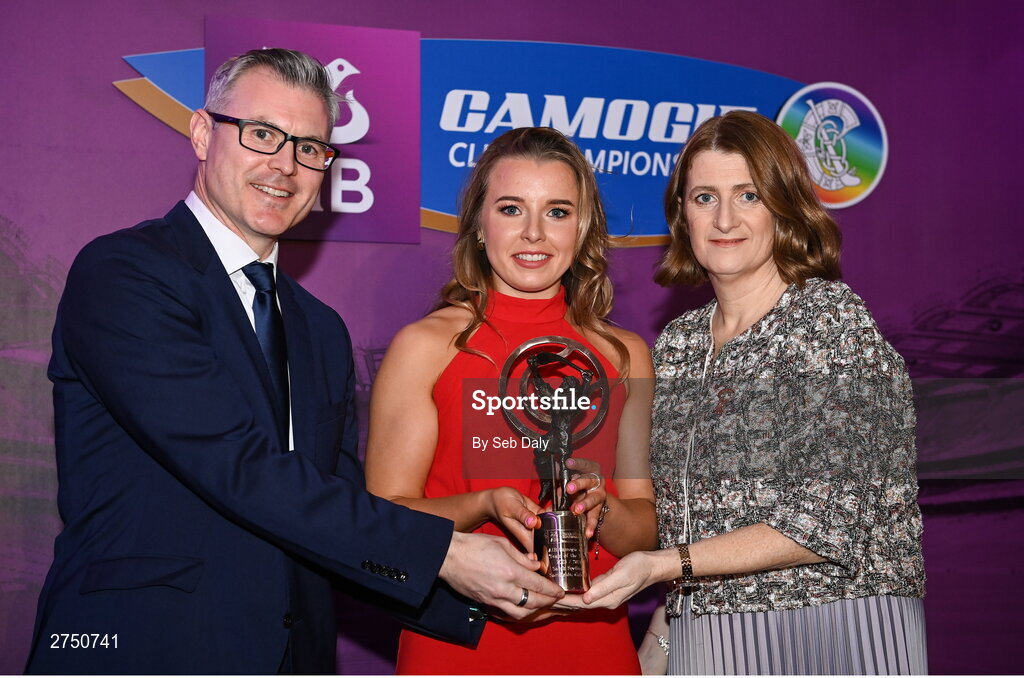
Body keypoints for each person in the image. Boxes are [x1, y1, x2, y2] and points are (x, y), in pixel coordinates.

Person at [25, 48, 564, 675]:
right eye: (261, 135)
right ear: (202, 133)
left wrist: (487, 600)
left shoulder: (319, 329)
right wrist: (445, 554)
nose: (285, 165)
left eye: (310, 147)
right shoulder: (126, 274)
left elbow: (329, 506)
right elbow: (238, 466)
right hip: (140, 647)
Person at [579, 111, 927, 674]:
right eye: (703, 197)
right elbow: (688, 526)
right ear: (682, 215)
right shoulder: (677, 346)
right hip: (706, 638)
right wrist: (659, 644)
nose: (723, 218)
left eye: (747, 195)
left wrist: (661, 565)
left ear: (783, 207)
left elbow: (826, 522)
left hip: (832, 631)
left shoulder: (828, 322)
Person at [364, 126, 658, 674]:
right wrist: (483, 503)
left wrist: (603, 507)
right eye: (510, 208)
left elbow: (644, 522)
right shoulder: (427, 347)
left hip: (593, 641)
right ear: (479, 224)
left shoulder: (624, 356)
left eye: (557, 212)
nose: (533, 234)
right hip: (462, 644)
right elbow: (386, 520)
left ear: (584, 226)